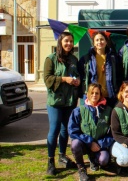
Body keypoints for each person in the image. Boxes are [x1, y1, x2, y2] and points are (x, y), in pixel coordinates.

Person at [43, 31, 79, 175]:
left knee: (66, 130)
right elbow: (47, 80)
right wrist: (64, 79)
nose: (69, 44)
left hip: (70, 100)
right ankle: (50, 161)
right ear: (60, 42)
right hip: (55, 102)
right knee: (55, 129)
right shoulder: (50, 59)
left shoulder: (73, 60)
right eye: (66, 41)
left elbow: (77, 75)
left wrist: (77, 81)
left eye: (71, 41)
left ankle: (62, 156)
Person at [68, 83, 114, 181]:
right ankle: (81, 169)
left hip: (100, 145)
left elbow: (113, 133)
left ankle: (94, 159)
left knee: (104, 160)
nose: (94, 95)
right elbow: (73, 131)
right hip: (84, 143)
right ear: (88, 94)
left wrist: (99, 144)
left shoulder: (108, 111)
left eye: (97, 93)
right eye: (92, 93)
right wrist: (90, 142)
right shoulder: (78, 110)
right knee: (75, 144)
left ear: (100, 95)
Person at [78, 31, 121, 107]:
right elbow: (81, 77)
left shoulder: (113, 58)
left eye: (102, 39)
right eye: (97, 40)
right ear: (93, 43)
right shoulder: (86, 59)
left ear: (106, 41)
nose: (99, 42)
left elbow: (119, 76)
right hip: (93, 97)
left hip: (110, 96)